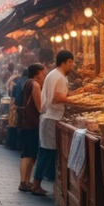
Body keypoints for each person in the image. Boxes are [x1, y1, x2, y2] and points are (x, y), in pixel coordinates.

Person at [31, 50, 73, 196]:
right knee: (47, 151)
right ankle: (36, 184)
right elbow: (57, 98)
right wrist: (74, 100)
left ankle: (38, 182)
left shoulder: (52, 74)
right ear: (65, 62)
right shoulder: (60, 77)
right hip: (52, 117)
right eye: (71, 62)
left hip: (48, 116)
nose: (72, 66)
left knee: (45, 150)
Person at [19, 63, 45, 192]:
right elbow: (40, 107)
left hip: (26, 123)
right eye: (42, 73)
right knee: (28, 154)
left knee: (29, 154)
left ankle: (26, 181)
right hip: (31, 123)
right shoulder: (35, 85)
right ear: (37, 73)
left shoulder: (27, 83)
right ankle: (23, 182)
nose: (44, 75)